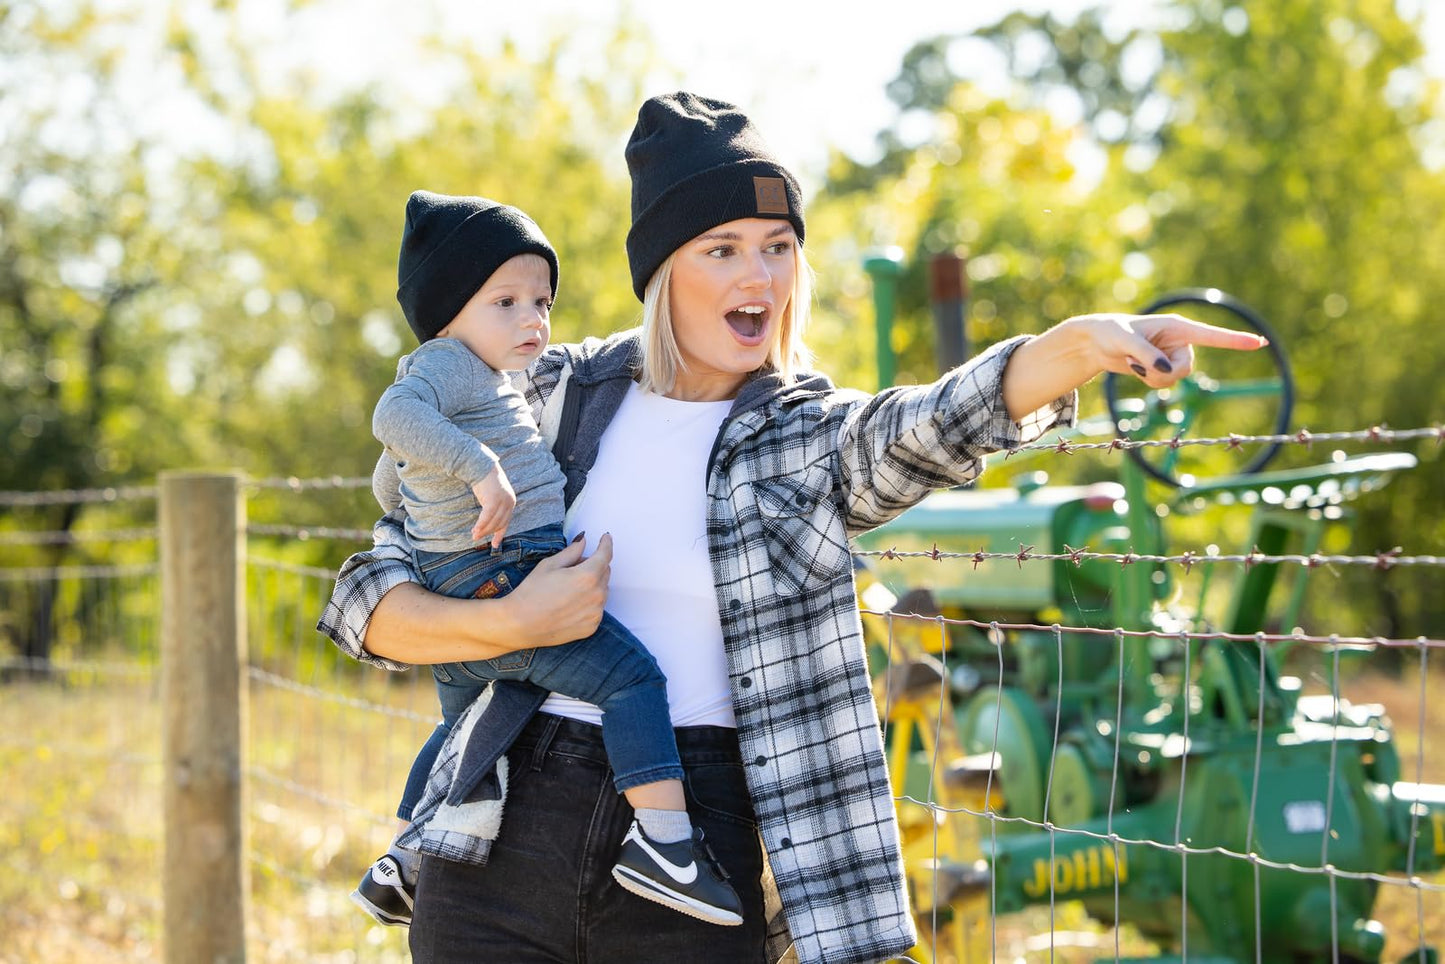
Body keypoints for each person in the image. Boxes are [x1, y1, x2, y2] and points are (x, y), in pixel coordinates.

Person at [318, 91, 1267, 964]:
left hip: (695, 846)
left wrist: (1069, 350)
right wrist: (516, 624)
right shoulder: (546, 395)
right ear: (662, 272)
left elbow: (927, 425)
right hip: (505, 824)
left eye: (777, 246)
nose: (758, 275)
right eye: (721, 247)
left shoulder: (803, 436)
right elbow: (371, 597)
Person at [351, 190, 742, 930]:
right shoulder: (449, 367)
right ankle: (665, 844)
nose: (531, 318)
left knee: (469, 731)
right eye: (505, 300)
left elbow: (388, 466)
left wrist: (415, 498)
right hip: (497, 570)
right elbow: (391, 418)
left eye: (541, 300)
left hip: (466, 573)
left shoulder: (479, 374)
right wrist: (476, 472)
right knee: (629, 677)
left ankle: (405, 853)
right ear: (447, 312)